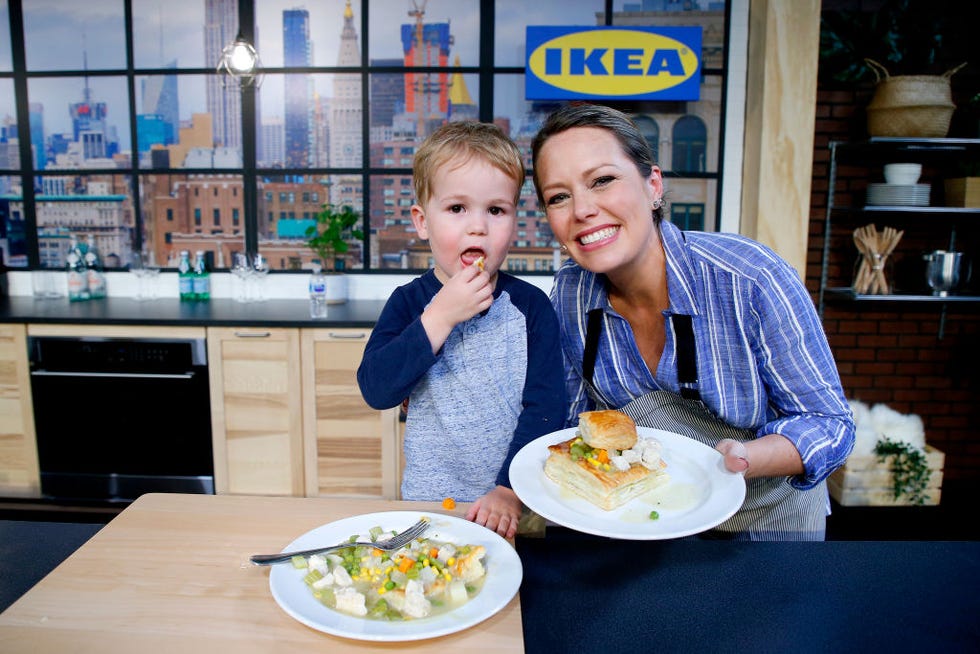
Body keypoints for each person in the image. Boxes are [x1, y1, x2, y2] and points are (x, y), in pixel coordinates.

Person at [531, 104, 855, 540]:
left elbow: (828, 422)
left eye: (602, 180)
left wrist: (743, 457)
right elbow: (574, 423)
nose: (583, 209)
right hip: (642, 517)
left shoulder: (750, 278)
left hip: (766, 520)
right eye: (558, 196)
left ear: (653, 185)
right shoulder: (570, 294)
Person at [358, 121, 567, 539]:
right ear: (422, 222)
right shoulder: (409, 303)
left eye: (496, 210)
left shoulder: (531, 308)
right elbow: (376, 389)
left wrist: (509, 488)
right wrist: (439, 318)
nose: (478, 226)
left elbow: (547, 408)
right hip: (429, 503)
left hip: (516, 504)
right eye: (457, 209)